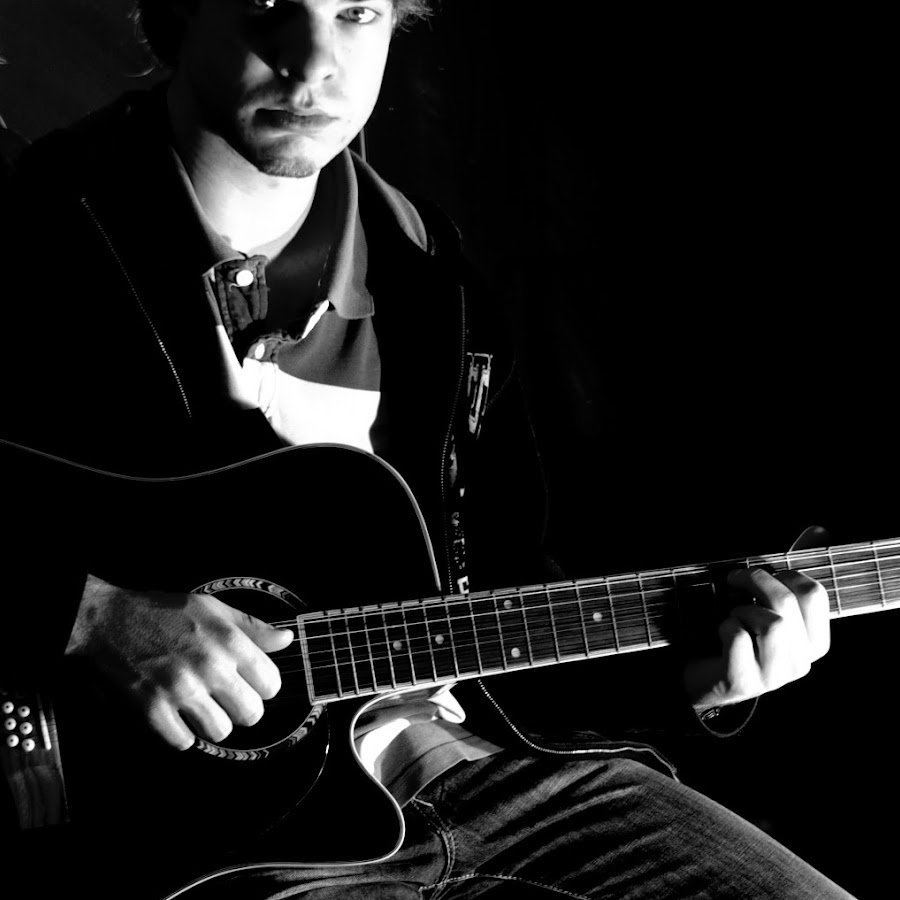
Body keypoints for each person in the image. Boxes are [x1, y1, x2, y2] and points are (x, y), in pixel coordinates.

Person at [0, 2, 856, 898]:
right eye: (266, 7)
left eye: (357, 13)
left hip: (492, 771)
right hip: (218, 838)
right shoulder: (35, 227)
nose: (314, 62)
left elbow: (498, 596)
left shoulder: (436, 283)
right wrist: (86, 612)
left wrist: (693, 676)